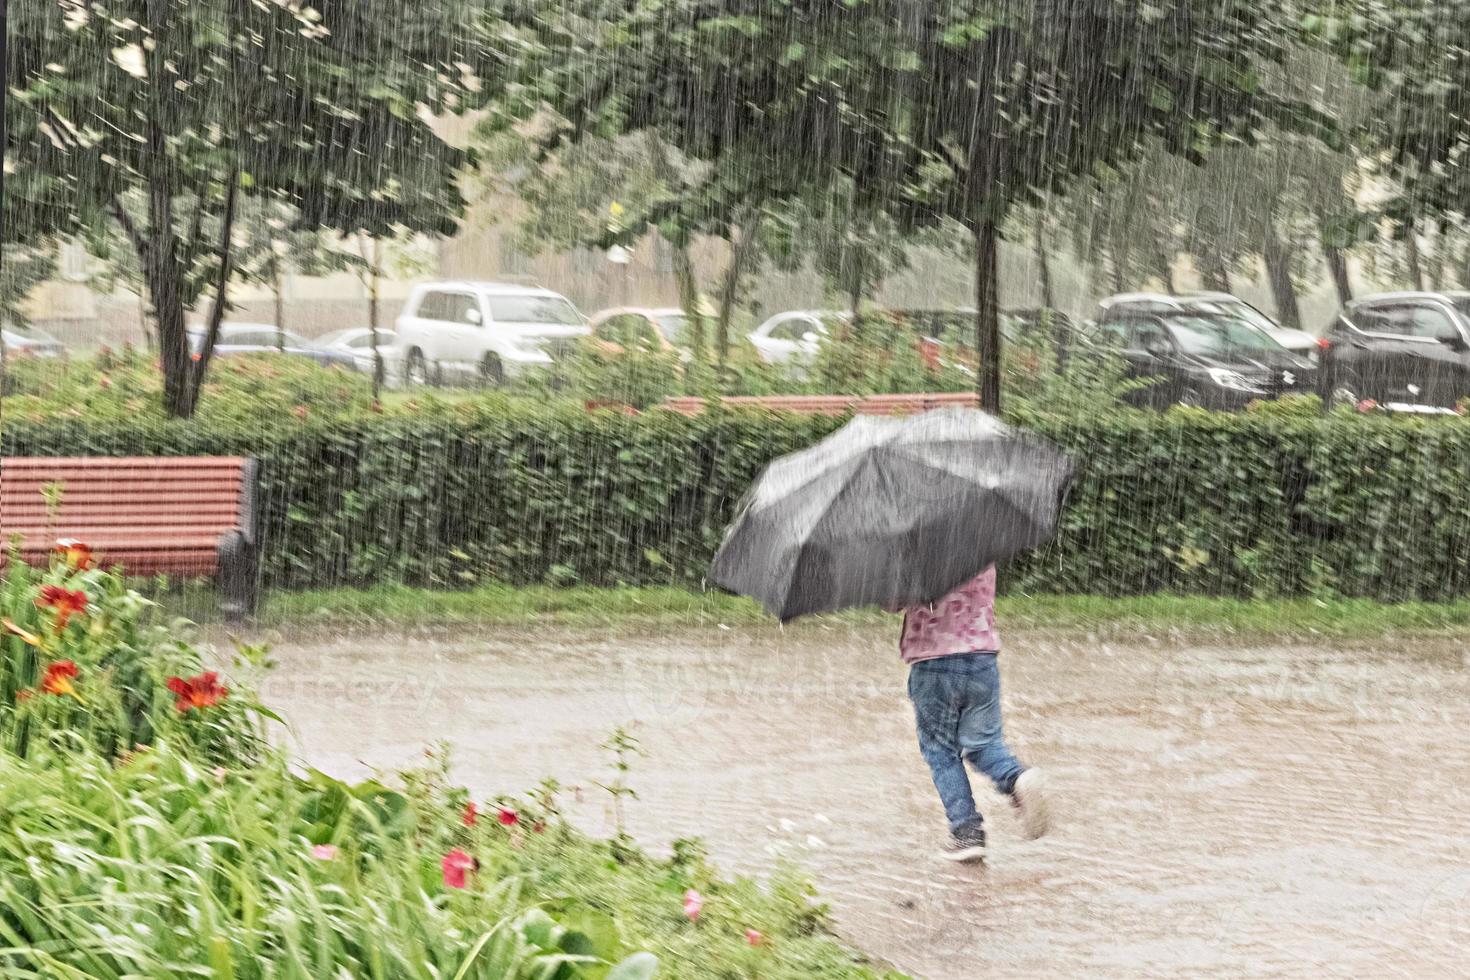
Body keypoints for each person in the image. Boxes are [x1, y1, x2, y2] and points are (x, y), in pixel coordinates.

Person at [894, 564, 1049, 862]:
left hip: (933, 662)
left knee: (940, 751)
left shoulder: (917, 555)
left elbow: (893, 602)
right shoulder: (980, 547)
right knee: (984, 745)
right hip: (982, 659)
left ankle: (966, 831)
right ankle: (1017, 777)